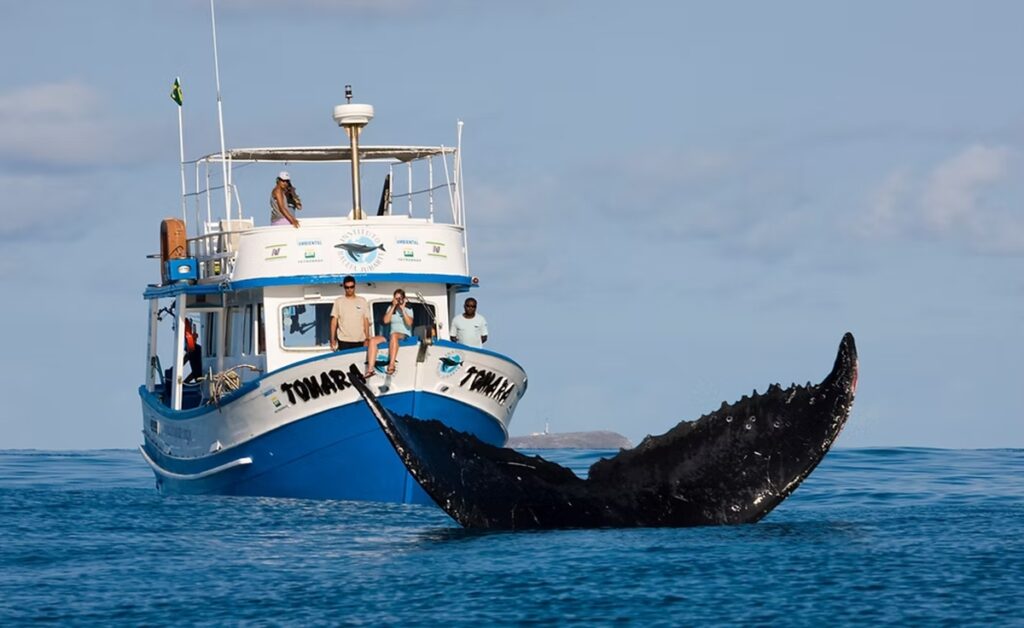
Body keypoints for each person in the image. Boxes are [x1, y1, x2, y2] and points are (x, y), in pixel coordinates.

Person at [366, 289, 413, 376]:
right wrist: (393, 307)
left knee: (394, 335)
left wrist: (403, 309)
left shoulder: (408, 309)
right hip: (392, 335)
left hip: (404, 334)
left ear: (404, 298)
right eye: (396, 299)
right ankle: (370, 369)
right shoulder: (391, 308)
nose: (398, 301)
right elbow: (386, 321)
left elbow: (409, 323)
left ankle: (391, 365)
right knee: (373, 340)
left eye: (400, 298)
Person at [330, 276, 369, 356]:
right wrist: (332, 339)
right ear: (344, 287)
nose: (349, 289)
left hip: (360, 340)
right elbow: (334, 321)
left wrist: (367, 338)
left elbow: (366, 321)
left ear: (355, 286)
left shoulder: (362, 301)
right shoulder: (339, 301)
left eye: (352, 287)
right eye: (347, 287)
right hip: (344, 340)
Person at [182, 318, 203, 383]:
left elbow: (195, 373)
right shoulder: (192, 352)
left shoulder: (195, 352)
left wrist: (184, 383)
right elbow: (181, 363)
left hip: (202, 380)